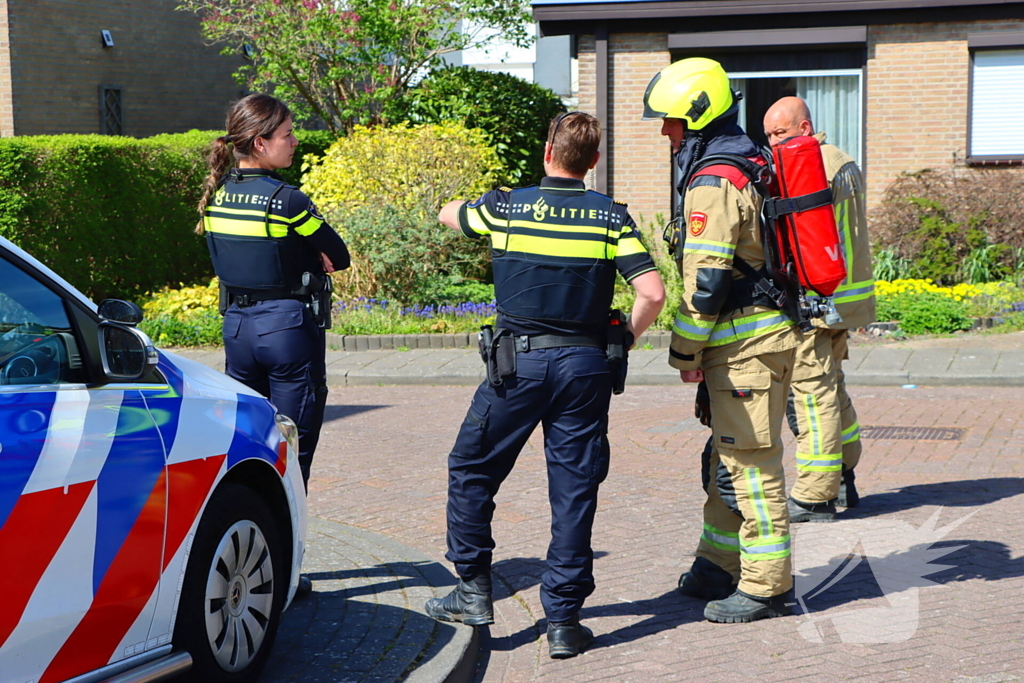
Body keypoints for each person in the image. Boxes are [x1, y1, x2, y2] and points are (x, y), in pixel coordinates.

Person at [425, 111, 665, 659]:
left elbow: (447, 214)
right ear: (593, 163)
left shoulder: (504, 208)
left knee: (472, 467)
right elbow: (651, 293)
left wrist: (475, 207)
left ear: (547, 152)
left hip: (518, 366)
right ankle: (563, 621)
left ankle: (472, 589)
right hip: (584, 367)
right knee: (575, 489)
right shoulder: (610, 218)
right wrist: (625, 338)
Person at [642, 58, 800, 623]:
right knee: (724, 459)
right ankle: (717, 562)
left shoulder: (713, 179)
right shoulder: (749, 158)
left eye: (671, 121)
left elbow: (705, 284)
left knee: (752, 468)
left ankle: (764, 586)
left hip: (745, 348)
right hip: (758, 339)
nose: (665, 132)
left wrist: (684, 352)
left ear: (699, 116)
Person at [196, 96, 350, 594]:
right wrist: (307, 254)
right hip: (286, 331)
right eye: (287, 134)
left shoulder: (216, 195)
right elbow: (339, 254)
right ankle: (288, 573)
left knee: (247, 452)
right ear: (260, 142)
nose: (295, 140)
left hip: (237, 332)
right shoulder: (288, 200)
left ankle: (253, 561)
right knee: (291, 454)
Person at [763, 96, 875, 517]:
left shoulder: (807, 165)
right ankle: (845, 477)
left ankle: (815, 494)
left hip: (816, 299)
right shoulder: (843, 160)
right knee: (834, 385)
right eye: (769, 135)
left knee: (811, 394)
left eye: (782, 133)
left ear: (805, 128)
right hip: (844, 297)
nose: (774, 143)